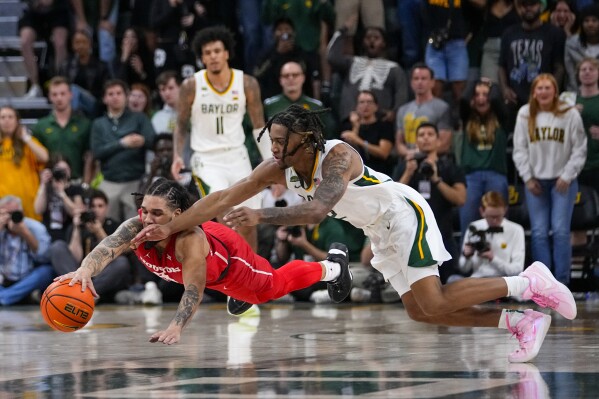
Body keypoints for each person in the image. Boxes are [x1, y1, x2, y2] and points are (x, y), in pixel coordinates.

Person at [134, 104, 578, 362]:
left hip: (403, 214)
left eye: (281, 142)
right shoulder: (278, 166)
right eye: (271, 142)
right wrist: (172, 224)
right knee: (422, 312)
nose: (274, 150)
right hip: (377, 229)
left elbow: (318, 210)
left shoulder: (338, 158)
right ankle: (519, 320)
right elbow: (224, 197)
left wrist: (263, 219)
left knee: (436, 299)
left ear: (306, 138)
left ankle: (529, 283)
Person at [56, 178, 352, 344]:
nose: (147, 218)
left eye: (156, 214)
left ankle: (333, 266)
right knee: (242, 295)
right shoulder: (137, 227)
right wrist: (85, 270)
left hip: (231, 263)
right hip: (216, 276)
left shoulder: (189, 243)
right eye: (144, 210)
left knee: (270, 288)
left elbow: (194, 290)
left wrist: (176, 326)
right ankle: (240, 297)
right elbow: (108, 245)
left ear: (176, 215)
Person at [171, 26, 268, 251]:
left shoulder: (247, 83)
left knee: (248, 218)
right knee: (223, 210)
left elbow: (259, 126)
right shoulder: (192, 85)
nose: (213, 56)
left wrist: (272, 161)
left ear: (226, 53)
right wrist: (177, 155)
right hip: (207, 159)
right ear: (202, 57)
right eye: (207, 52)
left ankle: (253, 273)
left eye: (217, 51)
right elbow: (182, 125)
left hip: (237, 156)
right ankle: (231, 274)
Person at [512, 73, 587, 285]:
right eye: (539, 88)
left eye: (548, 88)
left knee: (561, 231)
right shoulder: (525, 114)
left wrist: (567, 175)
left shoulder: (569, 114)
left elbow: (580, 148)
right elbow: (519, 150)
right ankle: (544, 285)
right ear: (533, 92)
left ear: (555, 91)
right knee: (538, 233)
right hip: (535, 183)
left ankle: (562, 284)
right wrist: (527, 177)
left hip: (563, 182)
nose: (543, 92)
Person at [395, 122, 467, 283]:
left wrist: (436, 179)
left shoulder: (450, 167)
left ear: (438, 140)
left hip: (443, 236)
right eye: (421, 135)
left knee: (449, 284)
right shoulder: (405, 167)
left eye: (430, 134)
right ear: (416, 141)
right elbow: (392, 199)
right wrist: (408, 173)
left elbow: (461, 199)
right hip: (412, 239)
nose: (426, 138)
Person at [91, 79, 156, 222]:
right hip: (109, 181)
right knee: (106, 227)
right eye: (111, 93)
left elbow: (154, 141)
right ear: (104, 98)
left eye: (119, 93)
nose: (115, 97)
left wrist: (143, 141)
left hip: (135, 181)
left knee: (135, 228)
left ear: (126, 96)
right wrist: (122, 143)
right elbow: (97, 152)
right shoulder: (98, 124)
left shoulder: (139, 118)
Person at [50, 189, 132, 302]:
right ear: (87, 208)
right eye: (93, 206)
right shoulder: (79, 225)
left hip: (103, 275)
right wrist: (76, 229)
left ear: (106, 207)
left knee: (122, 263)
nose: (96, 210)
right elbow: (75, 257)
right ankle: (79, 290)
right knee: (57, 247)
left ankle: (86, 293)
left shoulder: (114, 226)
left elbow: (116, 254)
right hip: (79, 273)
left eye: (100, 206)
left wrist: (99, 232)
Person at [458, 79, 509, 240]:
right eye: (477, 95)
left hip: (495, 175)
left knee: (496, 223)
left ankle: (498, 260)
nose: (482, 99)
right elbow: (463, 100)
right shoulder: (467, 118)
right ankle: (466, 262)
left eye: (485, 95)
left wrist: (493, 84)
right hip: (471, 177)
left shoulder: (502, 118)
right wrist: (474, 84)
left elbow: (495, 100)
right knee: (468, 224)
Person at [31, 76, 93, 185]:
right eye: (54, 94)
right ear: (49, 97)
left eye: (63, 93)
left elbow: (90, 156)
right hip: (50, 182)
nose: (59, 98)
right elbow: (35, 158)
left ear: (71, 95)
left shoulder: (85, 124)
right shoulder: (41, 126)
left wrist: (86, 183)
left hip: (76, 181)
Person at [454, 191, 526, 281]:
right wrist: (466, 256)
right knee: (452, 280)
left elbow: (517, 270)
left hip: (504, 280)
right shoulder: (474, 227)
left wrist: (493, 258)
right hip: (477, 280)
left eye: (498, 216)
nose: (495, 221)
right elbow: (463, 269)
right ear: (482, 211)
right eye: (491, 217)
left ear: (505, 210)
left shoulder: (516, 230)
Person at [0, 195, 54, 306]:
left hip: (27, 278)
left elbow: (44, 257)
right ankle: (8, 297)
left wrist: (25, 233)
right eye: (6, 214)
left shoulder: (35, 227)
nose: (11, 217)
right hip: (2, 278)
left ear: (22, 213)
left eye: (14, 213)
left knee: (47, 271)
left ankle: (4, 297)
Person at [0, 106, 49, 220]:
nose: (7, 120)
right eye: (2, 117)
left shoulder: (27, 143)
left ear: (17, 121)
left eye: (10, 117)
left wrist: (26, 137)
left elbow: (44, 157)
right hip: (3, 205)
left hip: (28, 204)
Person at [395, 63, 453, 158]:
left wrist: (419, 154)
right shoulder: (402, 110)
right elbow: (399, 143)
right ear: (411, 82)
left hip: (433, 161)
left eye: (424, 79)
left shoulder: (442, 108)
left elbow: (444, 144)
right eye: (416, 79)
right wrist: (409, 153)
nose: (420, 82)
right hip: (408, 160)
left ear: (432, 82)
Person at [339, 90, 395, 176]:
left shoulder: (384, 126)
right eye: (362, 102)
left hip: (378, 173)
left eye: (369, 102)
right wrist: (356, 126)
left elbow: (384, 153)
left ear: (376, 106)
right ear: (357, 107)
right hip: (355, 174)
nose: (366, 105)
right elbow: (347, 152)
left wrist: (358, 140)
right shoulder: (348, 125)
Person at [33, 155, 85, 242]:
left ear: (70, 171)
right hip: (48, 234)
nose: (62, 173)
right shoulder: (47, 187)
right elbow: (38, 210)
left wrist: (62, 193)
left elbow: (77, 212)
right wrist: (43, 184)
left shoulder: (75, 188)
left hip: (68, 234)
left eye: (65, 170)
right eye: (59, 169)